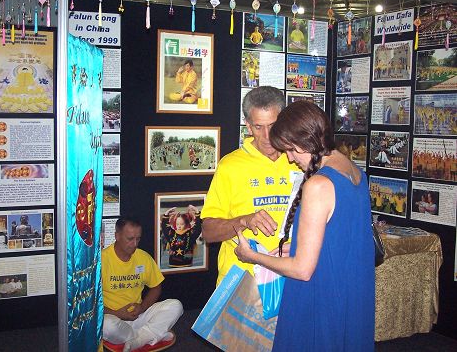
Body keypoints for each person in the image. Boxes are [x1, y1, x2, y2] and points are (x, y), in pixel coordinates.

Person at [234, 101, 374, 351]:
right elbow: (341, 237)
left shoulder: (318, 185)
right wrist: (297, 245)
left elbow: (302, 270)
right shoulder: (354, 171)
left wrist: (252, 256)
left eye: (290, 150)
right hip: (351, 290)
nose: (289, 158)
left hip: (320, 294)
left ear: (305, 142)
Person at [201, 86, 301, 285]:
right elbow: (208, 232)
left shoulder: (299, 158)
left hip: (291, 276)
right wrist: (244, 221)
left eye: (273, 125)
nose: (266, 135)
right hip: (241, 280)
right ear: (247, 125)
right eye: (258, 127)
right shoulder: (230, 165)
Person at [102, 217, 183, 352]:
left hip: (139, 315)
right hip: (114, 318)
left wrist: (143, 307)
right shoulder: (101, 260)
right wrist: (117, 313)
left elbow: (156, 287)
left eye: (138, 239)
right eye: (130, 239)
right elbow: (90, 302)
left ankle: (139, 339)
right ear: (117, 236)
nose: (134, 244)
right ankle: (150, 335)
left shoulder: (143, 257)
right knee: (106, 325)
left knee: (176, 305)